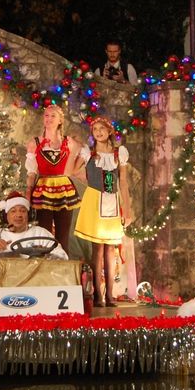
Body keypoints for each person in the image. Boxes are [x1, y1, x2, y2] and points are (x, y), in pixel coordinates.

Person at [72, 117, 132, 307]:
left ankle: (110, 295)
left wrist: (127, 210)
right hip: (94, 201)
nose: (98, 132)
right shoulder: (88, 153)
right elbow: (72, 170)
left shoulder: (119, 153)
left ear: (109, 131)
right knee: (97, 249)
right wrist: (86, 174)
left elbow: (123, 182)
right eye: (95, 129)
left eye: (102, 128)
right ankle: (98, 295)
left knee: (111, 249)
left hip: (112, 201)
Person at [25, 104, 82, 254]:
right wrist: (28, 191)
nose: (49, 119)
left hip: (64, 190)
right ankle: (44, 265)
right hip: (43, 190)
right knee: (44, 235)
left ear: (60, 120)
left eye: (53, 116)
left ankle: (63, 264)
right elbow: (31, 172)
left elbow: (73, 169)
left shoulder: (69, 142)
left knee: (63, 236)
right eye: (46, 115)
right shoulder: (35, 143)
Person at [0, 191, 67, 275]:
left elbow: (63, 259)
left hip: (38, 282)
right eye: (13, 211)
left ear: (29, 215)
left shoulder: (40, 234)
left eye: (23, 211)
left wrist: (45, 255)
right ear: (5, 216)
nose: (19, 215)